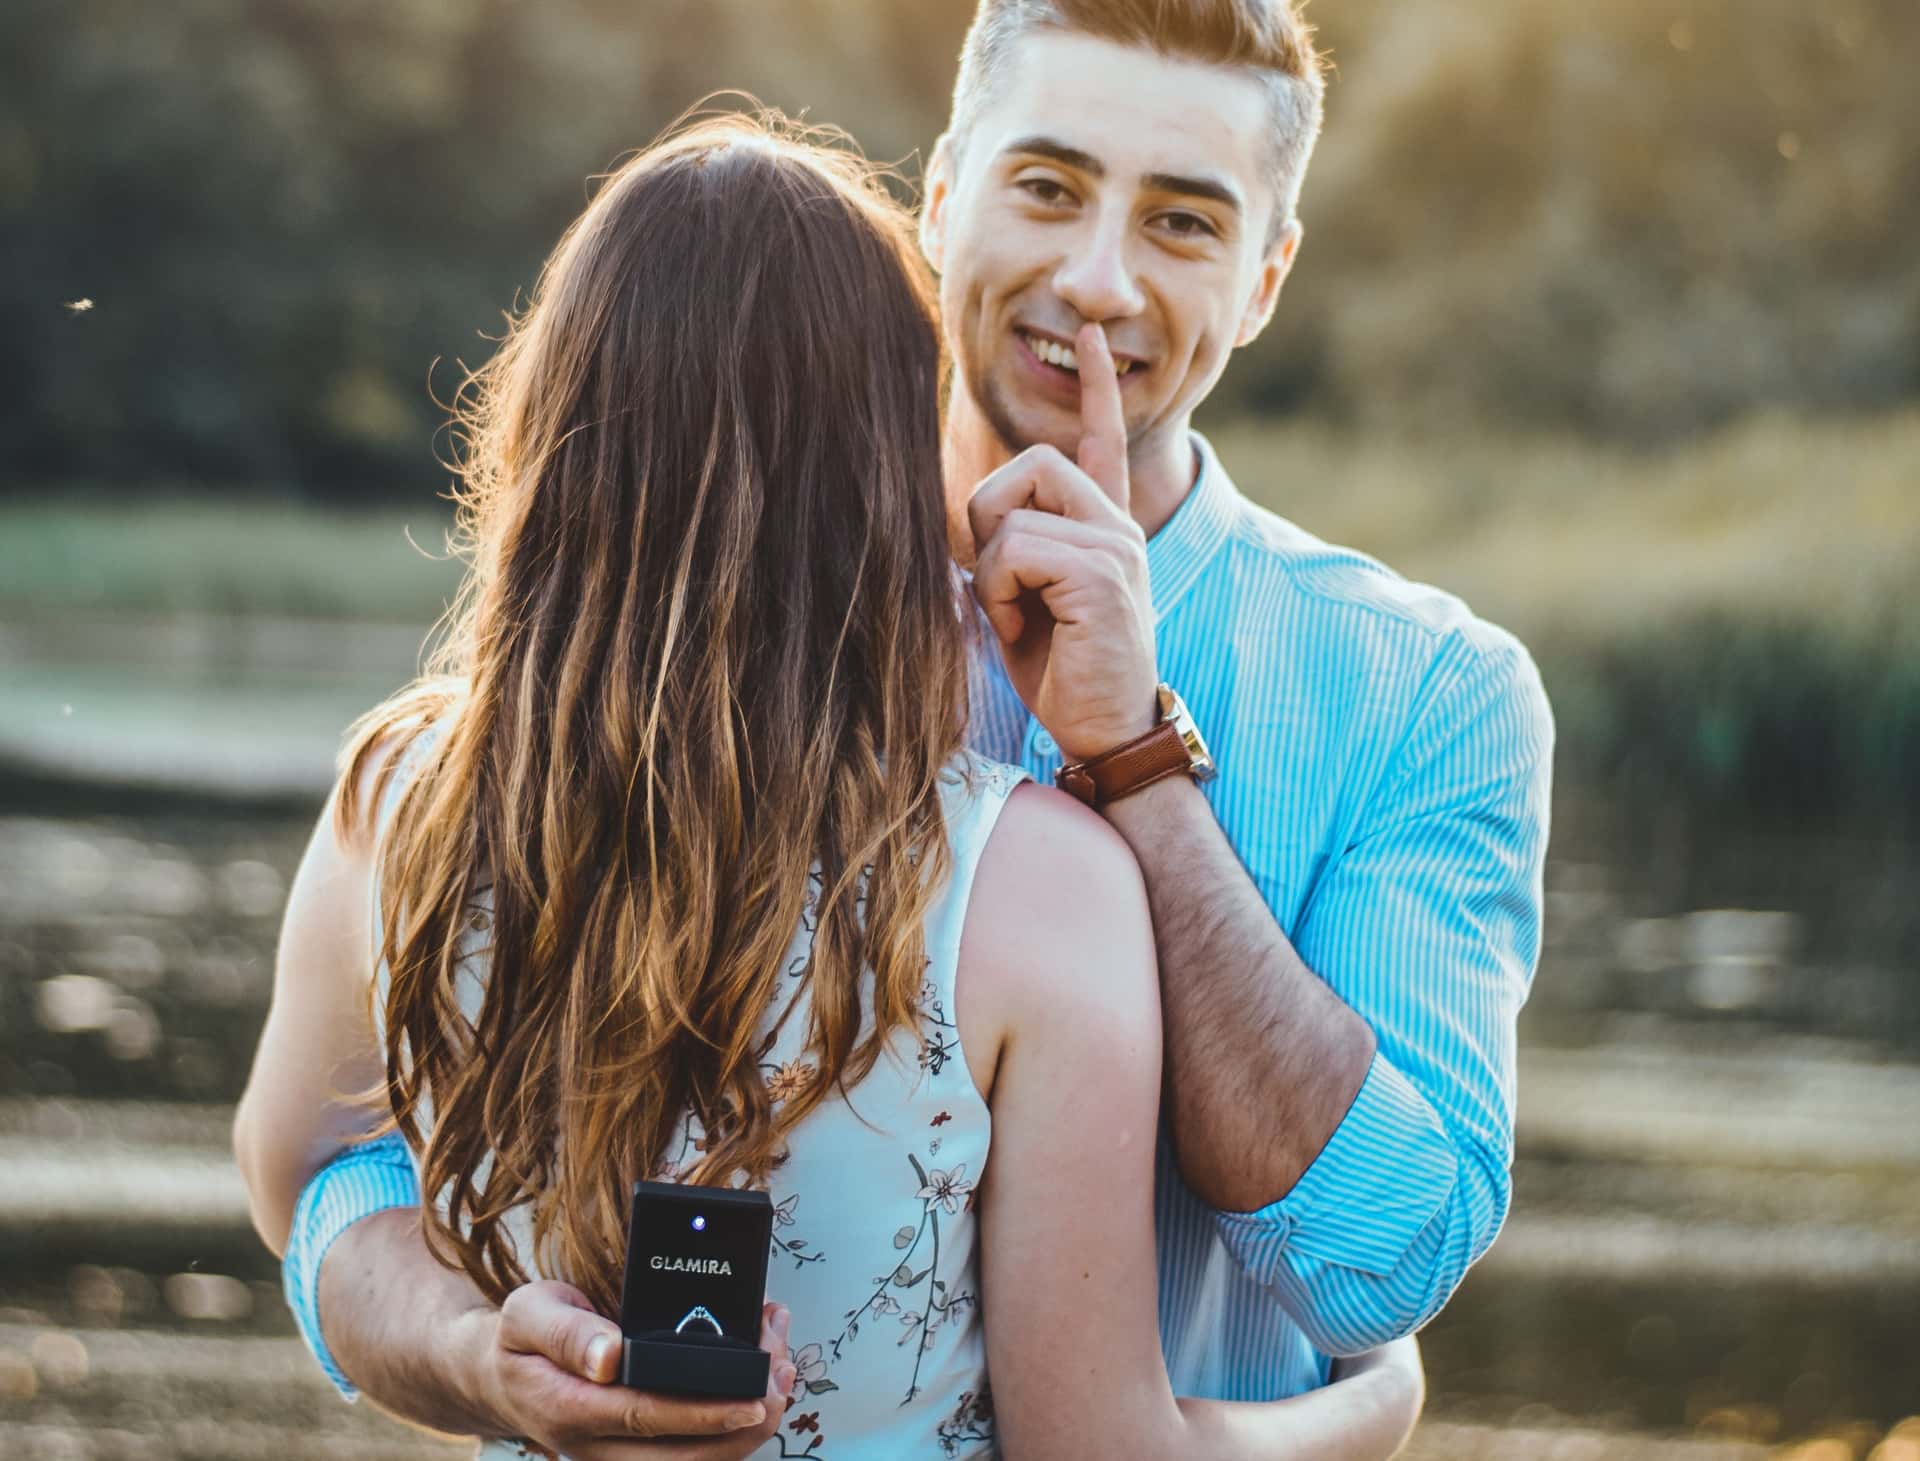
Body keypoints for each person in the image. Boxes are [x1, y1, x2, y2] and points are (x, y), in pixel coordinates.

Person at [245, 0, 1553, 1452]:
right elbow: (344, 1165)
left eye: (1185, 223)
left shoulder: (1430, 689)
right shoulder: (641, 662)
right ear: (939, 196)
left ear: (1265, 279)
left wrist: (1138, 768)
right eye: (1047, 187)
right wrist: (475, 1350)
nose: (1099, 278)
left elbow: (1379, 1265)